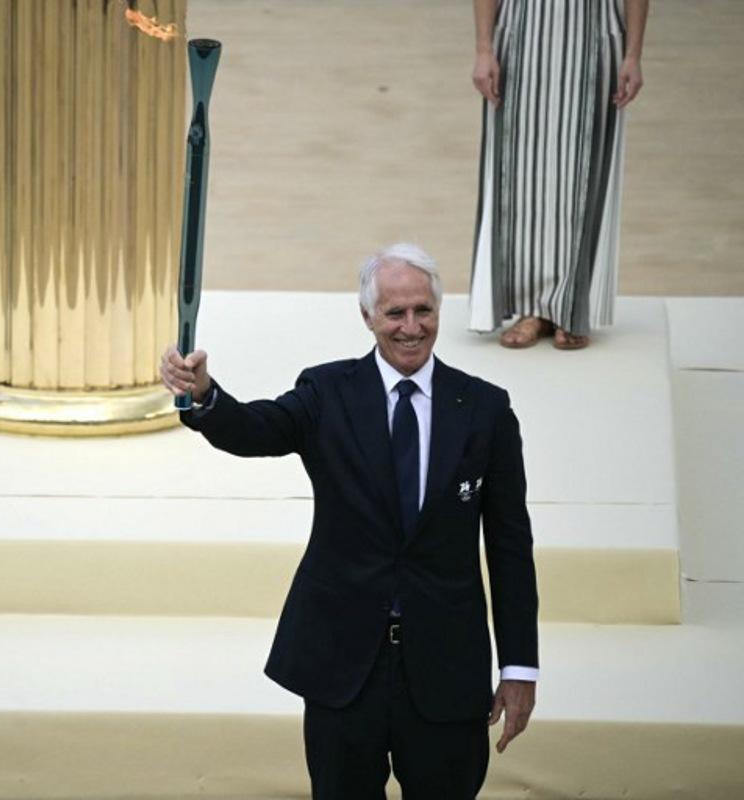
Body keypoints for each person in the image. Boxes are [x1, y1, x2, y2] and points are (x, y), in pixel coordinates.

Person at [160, 243, 539, 800]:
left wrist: (520, 668)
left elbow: (509, 546)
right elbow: (256, 429)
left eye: (423, 311)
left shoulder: (484, 409)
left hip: (446, 669)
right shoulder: (327, 392)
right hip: (344, 670)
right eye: (395, 313)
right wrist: (206, 397)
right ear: (368, 318)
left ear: (439, 311)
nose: (411, 327)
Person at [469, 0, 649, 350]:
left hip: (594, 34)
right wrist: (484, 48)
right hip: (522, 34)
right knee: (521, 172)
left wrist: (633, 55)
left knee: (581, 173)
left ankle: (569, 304)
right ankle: (530, 306)